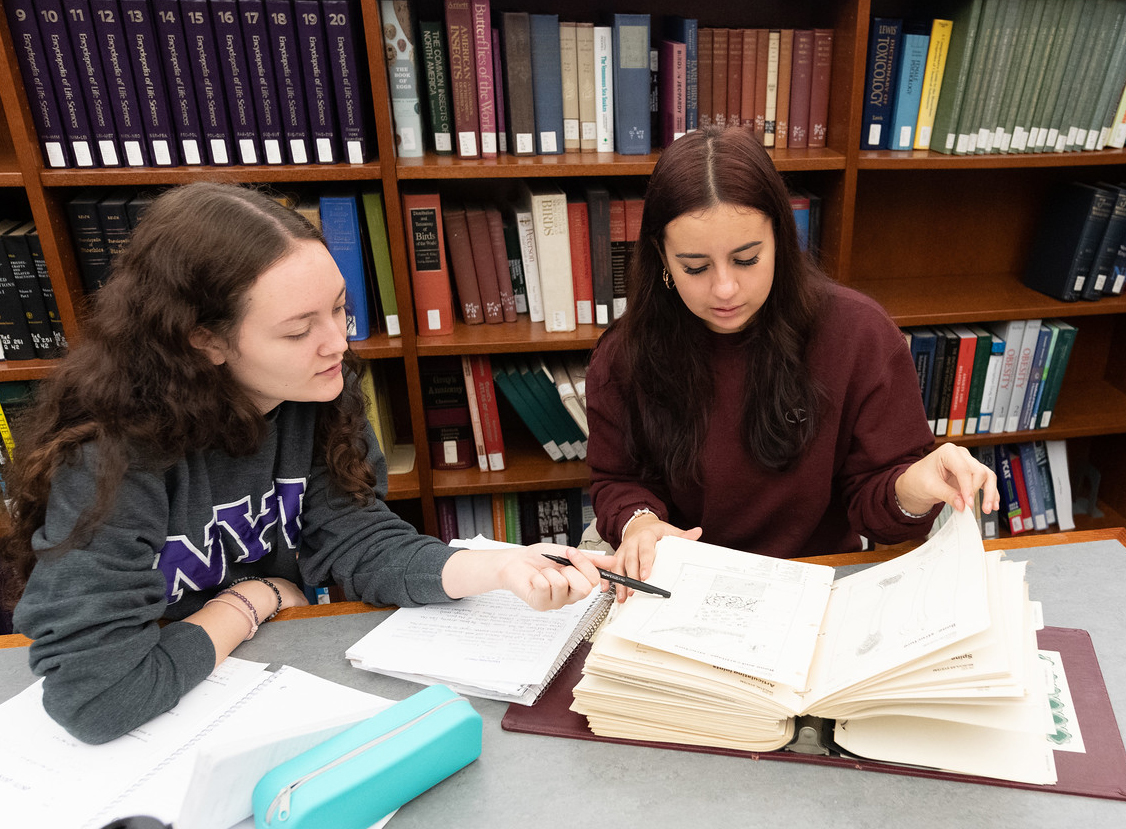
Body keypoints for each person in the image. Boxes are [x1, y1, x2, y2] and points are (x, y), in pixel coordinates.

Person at [0, 183, 608, 743]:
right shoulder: (111, 456)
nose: (337, 343)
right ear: (204, 340)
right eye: (298, 331)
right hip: (163, 715)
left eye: (339, 309)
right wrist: (254, 599)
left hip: (262, 677)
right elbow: (97, 697)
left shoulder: (314, 395)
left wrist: (500, 569)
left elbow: (360, 542)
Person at [587, 127, 999, 597]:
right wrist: (640, 523)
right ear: (662, 256)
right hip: (684, 588)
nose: (725, 289)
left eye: (746, 259)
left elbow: (880, 514)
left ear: (781, 239)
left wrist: (914, 485)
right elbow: (617, 478)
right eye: (695, 267)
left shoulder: (857, 334)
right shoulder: (626, 353)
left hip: (821, 581)